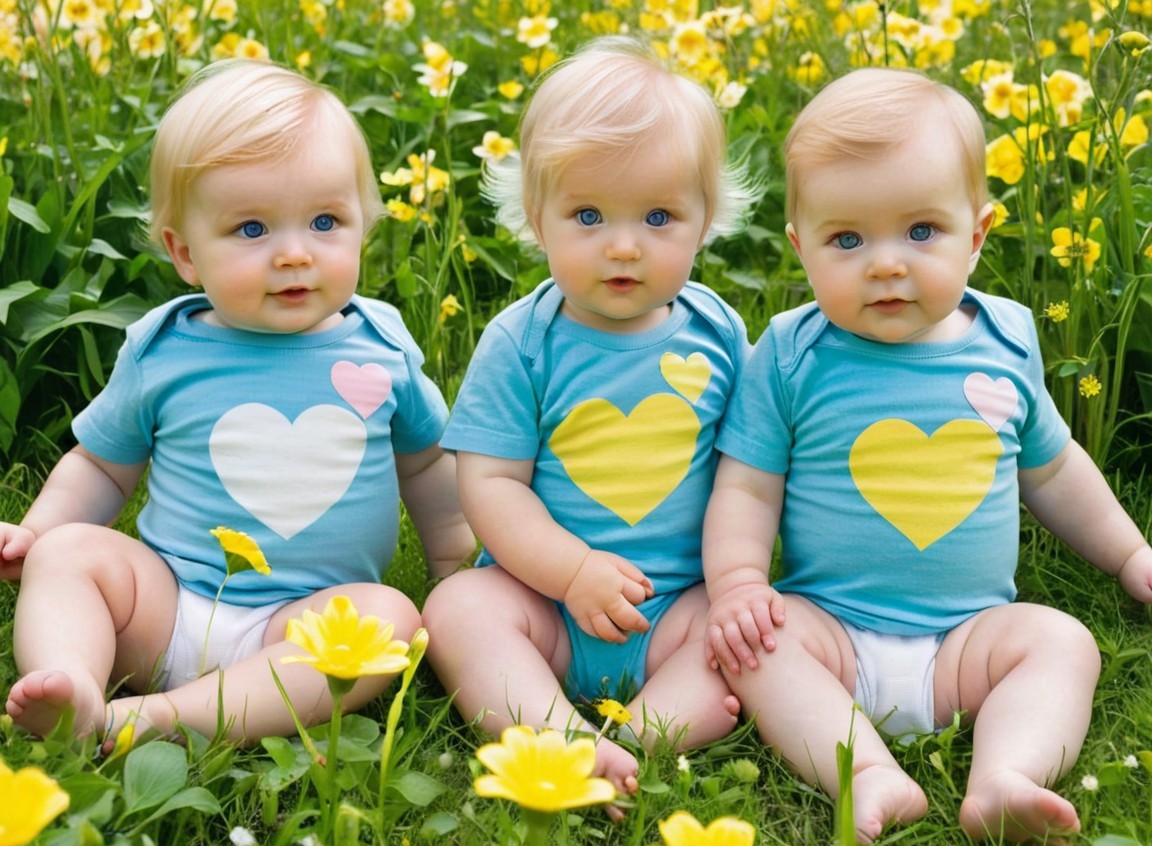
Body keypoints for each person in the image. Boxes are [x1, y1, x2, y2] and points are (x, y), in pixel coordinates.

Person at [703, 66, 1152, 846]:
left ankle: (1003, 778)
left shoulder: (1006, 341)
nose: (886, 263)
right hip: (833, 635)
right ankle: (867, 769)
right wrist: (739, 584)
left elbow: (1053, 469)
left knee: (1060, 642)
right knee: (756, 650)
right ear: (801, 248)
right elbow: (745, 485)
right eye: (847, 239)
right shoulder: (791, 354)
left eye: (920, 232)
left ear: (976, 235)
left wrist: (1130, 554)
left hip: (967, 642)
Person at [0, 59, 473, 747]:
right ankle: (71, 680)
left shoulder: (381, 348)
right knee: (70, 556)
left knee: (391, 618)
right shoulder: (162, 350)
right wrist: (39, 535)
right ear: (185, 253)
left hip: (305, 626)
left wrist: (454, 565)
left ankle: (150, 719)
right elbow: (101, 469)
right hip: (165, 607)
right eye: (252, 230)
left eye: (324, 222)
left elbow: (428, 467)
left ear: (362, 227)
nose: (293, 255)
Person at [422, 36, 759, 804]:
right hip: (541, 599)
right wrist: (569, 572)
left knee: (740, 631)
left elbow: (751, 468)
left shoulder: (718, 335)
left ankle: (634, 736)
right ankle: (553, 733)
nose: (623, 245)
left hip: (673, 603)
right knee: (457, 610)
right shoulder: (523, 341)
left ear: (706, 221)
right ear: (536, 221)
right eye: (587, 215)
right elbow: (491, 483)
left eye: (660, 216)